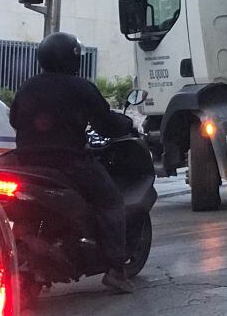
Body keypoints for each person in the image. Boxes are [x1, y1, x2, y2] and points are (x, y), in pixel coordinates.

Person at [10, 32, 135, 293]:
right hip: (68, 163)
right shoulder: (80, 87)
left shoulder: (27, 86)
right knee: (111, 201)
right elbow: (105, 123)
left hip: (26, 164)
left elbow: (14, 120)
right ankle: (115, 268)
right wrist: (126, 124)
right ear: (72, 58)